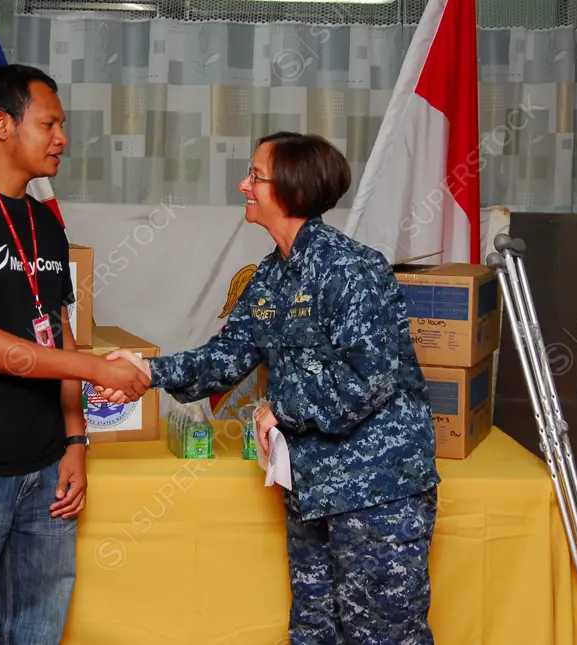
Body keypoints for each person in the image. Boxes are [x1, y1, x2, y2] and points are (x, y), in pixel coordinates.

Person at [103, 131, 441, 644]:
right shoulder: (271, 276)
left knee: (382, 636)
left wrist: (278, 408)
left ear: (291, 189)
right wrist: (148, 373)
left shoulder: (351, 269)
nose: (244, 185)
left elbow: (367, 380)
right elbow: (228, 354)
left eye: (255, 176)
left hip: (376, 495)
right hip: (311, 490)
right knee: (312, 633)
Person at [0, 63, 149, 645]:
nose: (62, 138)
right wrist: (97, 369)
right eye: (50, 124)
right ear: (5, 126)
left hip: (45, 472)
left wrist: (75, 440)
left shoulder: (44, 222)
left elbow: (59, 332)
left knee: (34, 633)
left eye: (62, 125)